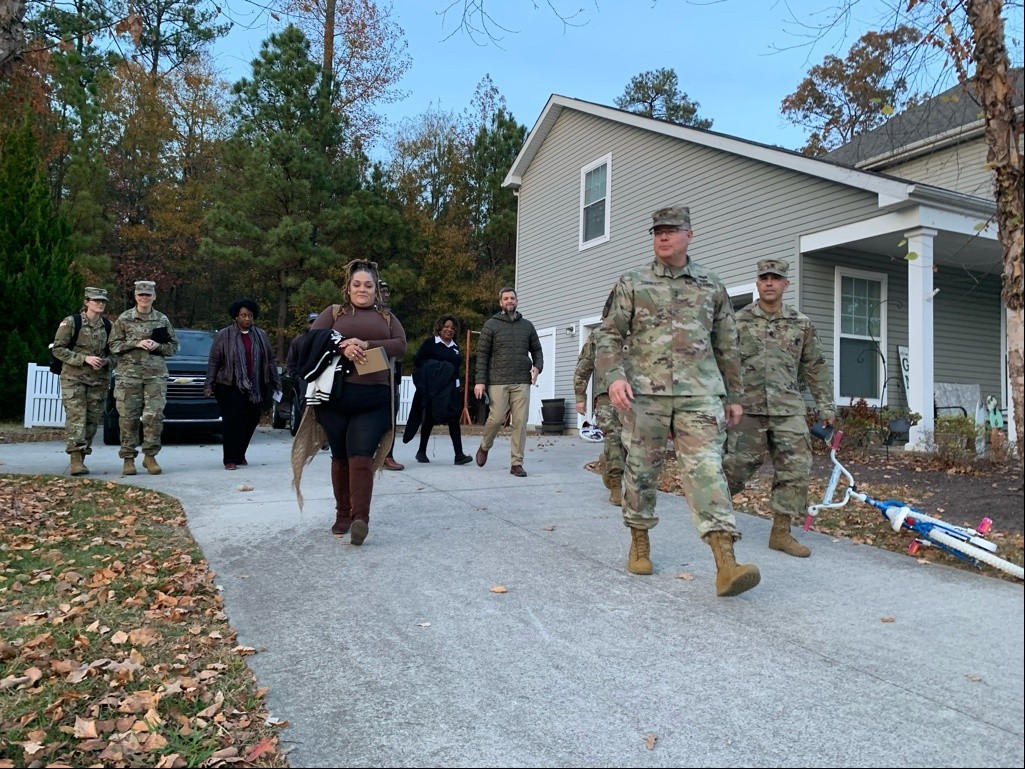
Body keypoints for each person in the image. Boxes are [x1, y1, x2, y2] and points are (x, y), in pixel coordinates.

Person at [597, 204, 760, 598]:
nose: (663, 237)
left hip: (699, 394)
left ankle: (726, 562)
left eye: (671, 230)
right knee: (641, 471)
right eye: (657, 231)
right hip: (644, 395)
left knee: (707, 471)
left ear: (690, 234)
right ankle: (639, 539)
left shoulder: (711, 285)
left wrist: (734, 396)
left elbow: (727, 344)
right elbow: (607, 336)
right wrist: (614, 377)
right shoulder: (632, 282)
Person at [722, 259, 836, 558]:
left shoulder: (801, 324)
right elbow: (723, 365)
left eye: (776, 278)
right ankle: (717, 523)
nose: (769, 283)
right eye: (764, 278)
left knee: (795, 469)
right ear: (757, 284)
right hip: (747, 409)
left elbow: (815, 367)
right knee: (735, 468)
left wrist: (825, 404)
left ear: (786, 284)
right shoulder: (738, 321)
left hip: (788, 409)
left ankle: (781, 533)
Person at [291, 260, 407, 546]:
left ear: (377, 290)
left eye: (368, 285)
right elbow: (309, 339)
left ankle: (360, 519)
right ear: (348, 287)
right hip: (335, 399)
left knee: (361, 455)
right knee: (340, 456)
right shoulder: (333, 313)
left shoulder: (388, 318)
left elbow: (401, 345)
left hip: (374, 400)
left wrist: (367, 345)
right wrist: (341, 344)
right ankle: (342, 515)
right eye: (357, 285)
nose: (362, 290)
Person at [108, 280, 180, 476]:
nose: (144, 298)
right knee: (128, 418)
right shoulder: (124, 319)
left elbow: (174, 347)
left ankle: (150, 456)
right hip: (128, 377)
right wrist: (136, 343)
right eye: (141, 295)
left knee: (154, 416)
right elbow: (113, 345)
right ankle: (128, 458)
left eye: (148, 295)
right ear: (135, 297)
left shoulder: (162, 320)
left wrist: (158, 346)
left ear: (154, 297)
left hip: (155, 376)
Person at [203, 299, 282, 470]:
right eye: (243, 315)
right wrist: (209, 383)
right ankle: (230, 459)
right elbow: (214, 361)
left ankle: (240, 453)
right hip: (229, 384)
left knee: (252, 420)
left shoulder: (261, 335)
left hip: (256, 385)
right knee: (233, 422)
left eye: (250, 316)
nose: (247, 319)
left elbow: (269, 360)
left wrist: (276, 381)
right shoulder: (224, 335)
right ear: (236, 317)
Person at [473, 287, 543, 477]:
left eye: (512, 298)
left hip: (522, 380)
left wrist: (537, 367)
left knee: (520, 422)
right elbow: (482, 355)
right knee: (496, 419)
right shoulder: (491, 325)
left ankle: (516, 463)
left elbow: (537, 350)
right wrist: (480, 381)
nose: (509, 301)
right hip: (498, 380)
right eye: (506, 298)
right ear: (500, 302)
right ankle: (485, 446)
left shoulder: (527, 326)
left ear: (517, 301)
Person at [51, 286, 112, 476]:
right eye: (96, 300)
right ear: (86, 302)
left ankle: (83, 456)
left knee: (92, 419)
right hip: (73, 378)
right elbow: (58, 349)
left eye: (102, 301)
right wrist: (83, 359)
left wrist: (107, 361)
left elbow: (116, 353)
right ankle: (75, 458)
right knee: (77, 416)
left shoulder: (109, 326)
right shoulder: (72, 322)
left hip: (98, 379)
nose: (100, 304)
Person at [573, 290, 625, 506]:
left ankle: (607, 462)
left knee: (632, 445)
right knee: (614, 438)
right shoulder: (600, 334)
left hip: (638, 397)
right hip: (607, 397)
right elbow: (584, 366)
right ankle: (616, 484)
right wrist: (580, 395)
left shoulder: (645, 331)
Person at [404, 315, 473, 465]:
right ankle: (421, 451)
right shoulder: (430, 343)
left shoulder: (455, 347)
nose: (449, 330)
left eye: (452, 328)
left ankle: (459, 455)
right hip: (433, 389)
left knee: (453, 418)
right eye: (446, 327)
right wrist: (437, 369)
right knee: (428, 417)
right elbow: (418, 361)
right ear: (439, 328)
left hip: (450, 389)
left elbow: (456, 368)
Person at [378, 280, 404, 471]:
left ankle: (388, 454)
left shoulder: (390, 317)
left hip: (389, 373)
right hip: (365, 374)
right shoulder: (362, 315)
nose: (386, 295)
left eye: (387, 291)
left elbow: (400, 344)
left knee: (390, 417)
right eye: (382, 291)